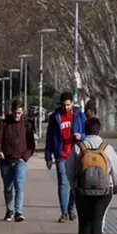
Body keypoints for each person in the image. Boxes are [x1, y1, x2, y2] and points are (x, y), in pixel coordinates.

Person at [65, 117, 117, 234]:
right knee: (98, 220)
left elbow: (69, 169)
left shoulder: (78, 148)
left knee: (84, 222)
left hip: (82, 191)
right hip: (104, 192)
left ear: (85, 130)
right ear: (99, 130)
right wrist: (116, 187)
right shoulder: (107, 148)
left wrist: (74, 186)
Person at [45, 91, 87, 222]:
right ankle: (63, 212)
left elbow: (88, 131)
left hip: (76, 153)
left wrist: (81, 136)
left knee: (75, 184)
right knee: (63, 182)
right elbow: (49, 137)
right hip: (61, 154)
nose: (66, 108)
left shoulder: (79, 115)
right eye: (63, 105)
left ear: (72, 104)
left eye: (68, 105)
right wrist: (48, 156)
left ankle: (71, 207)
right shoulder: (55, 117)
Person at [0, 100, 36, 222]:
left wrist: (24, 158)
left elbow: (31, 145)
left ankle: (18, 212)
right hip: (6, 161)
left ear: (23, 112)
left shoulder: (26, 125)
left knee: (19, 186)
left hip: (20, 160)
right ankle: (9, 210)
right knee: (8, 187)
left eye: (19, 113)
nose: (17, 115)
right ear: (11, 111)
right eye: (15, 113)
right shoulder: (4, 124)